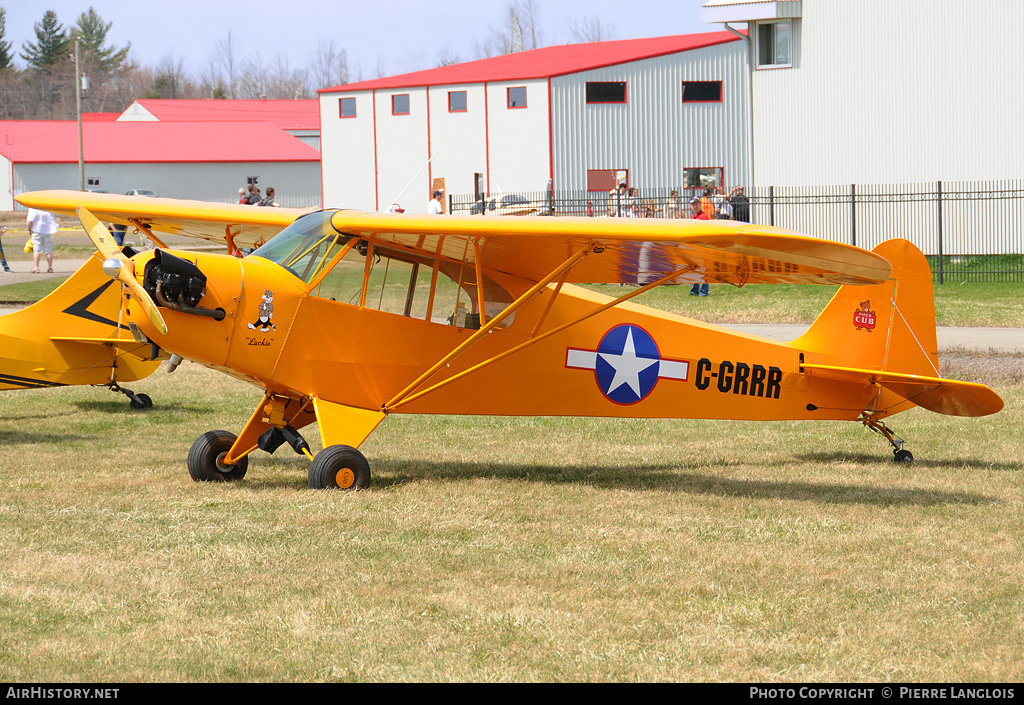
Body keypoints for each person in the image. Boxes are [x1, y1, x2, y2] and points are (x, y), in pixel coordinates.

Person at [26, 207, 58, 274]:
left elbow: (30, 221)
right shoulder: (47, 209)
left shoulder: (33, 209)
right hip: (47, 231)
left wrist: (29, 229)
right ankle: (50, 267)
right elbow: (52, 218)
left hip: (37, 230)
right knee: (48, 250)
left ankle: (36, 267)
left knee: (37, 250)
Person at [688, 197, 709, 296]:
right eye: (693, 205)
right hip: (694, 246)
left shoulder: (703, 217)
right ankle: (694, 290)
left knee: (704, 269)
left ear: (700, 205)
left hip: (702, 246)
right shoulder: (692, 217)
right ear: (691, 207)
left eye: (697, 204)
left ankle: (704, 291)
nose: (695, 206)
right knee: (694, 268)